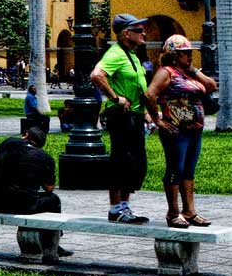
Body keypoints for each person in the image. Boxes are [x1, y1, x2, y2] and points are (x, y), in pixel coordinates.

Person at [147, 34, 218, 228]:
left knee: (189, 171)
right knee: (175, 169)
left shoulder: (189, 72)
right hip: (175, 131)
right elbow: (149, 94)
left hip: (195, 130)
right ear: (173, 55)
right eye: (185, 53)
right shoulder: (166, 72)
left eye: (189, 53)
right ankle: (173, 212)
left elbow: (211, 86)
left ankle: (190, 211)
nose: (189, 56)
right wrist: (157, 120)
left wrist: (194, 70)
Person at [93, 13, 152, 224]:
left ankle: (125, 207)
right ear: (126, 34)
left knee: (135, 162)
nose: (143, 33)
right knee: (121, 159)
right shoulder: (116, 53)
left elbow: (137, 85)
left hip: (134, 115)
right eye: (138, 30)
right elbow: (97, 75)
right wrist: (115, 97)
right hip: (121, 115)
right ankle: (115, 208)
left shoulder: (131, 54)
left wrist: (145, 112)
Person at [0, 124, 66, 254]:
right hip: (27, 206)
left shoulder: (10, 143)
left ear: (25, 135)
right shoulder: (46, 158)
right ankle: (53, 244)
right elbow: (49, 188)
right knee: (53, 200)